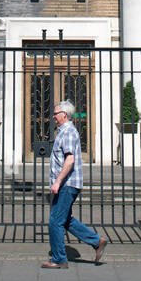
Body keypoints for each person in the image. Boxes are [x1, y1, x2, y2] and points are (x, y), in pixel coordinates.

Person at [41, 99, 107, 269]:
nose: (53, 117)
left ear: (64, 115)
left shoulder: (68, 132)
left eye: (55, 114)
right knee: (65, 219)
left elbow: (69, 160)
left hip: (67, 184)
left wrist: (57, 181)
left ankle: (59, 259)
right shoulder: (63, 131)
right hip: (66, 184)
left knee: (55, 220)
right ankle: (97, 241)